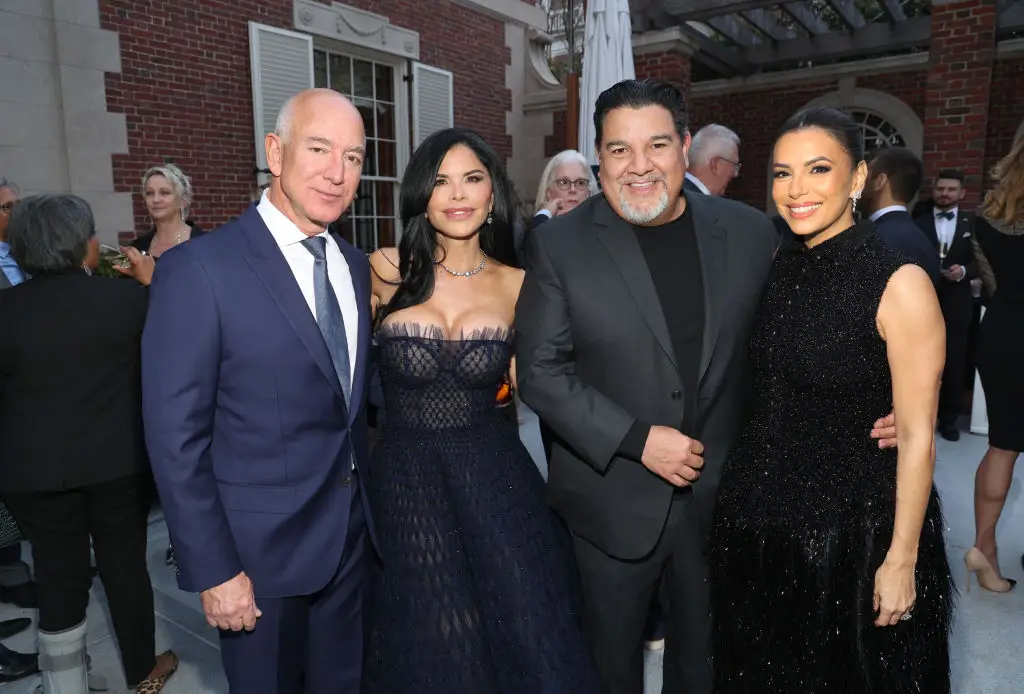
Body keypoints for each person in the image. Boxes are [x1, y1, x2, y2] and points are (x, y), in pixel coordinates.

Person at [515, 80, 897, 694]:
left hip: (729, 499)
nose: (638, 166)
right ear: (598, 156)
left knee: (711, 668)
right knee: (607, 668)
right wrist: (638, 440)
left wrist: (888, 395)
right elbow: (540, 372)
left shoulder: (750, 233)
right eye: (618, 150)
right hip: (610, 501)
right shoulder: (559, 243)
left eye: (657, 144)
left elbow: (810, 328)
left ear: (685, 147)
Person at [711, 108, 953, 692]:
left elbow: (918, 436)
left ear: (857, 177)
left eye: (818, 169)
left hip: (850, 539)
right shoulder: (776, 266)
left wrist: (901, 560)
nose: (796, 190)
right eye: (782, 173)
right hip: (758, 528)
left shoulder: (899, 282)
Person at [142, 88, 374, 692]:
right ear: (276, 151)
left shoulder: (353, 265)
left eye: (353, 156)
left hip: (350, 547)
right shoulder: (198, 270)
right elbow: (175, 439)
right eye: (319, 148)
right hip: (256, 564)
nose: (337, 172)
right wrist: (215, 569)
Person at [363, 127, 598, 693]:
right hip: (405, 480)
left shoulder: (520, 284)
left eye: (472, 178)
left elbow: (542, 386)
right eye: (441, 181)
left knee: (527, 619)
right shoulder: (384, 268)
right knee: (440, 632)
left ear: (492, 193)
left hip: (493, 473)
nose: (459, 194)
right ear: (422, 195)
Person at [0, 195, 177, 693]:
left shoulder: (4, 310)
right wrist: (154, 283)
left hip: (32, 473)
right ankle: (143, 676)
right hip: (117, 466)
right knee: (125, 570)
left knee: (57, 577)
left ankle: (65, 687)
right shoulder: (128, 302)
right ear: (82, 245)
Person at [966, 137, 1024, 593]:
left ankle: (984, 548)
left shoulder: (985, 220)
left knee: (1002, 443)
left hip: (1001, 333)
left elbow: (991, 286)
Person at [914, 169, 976, 441]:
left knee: (954, 363)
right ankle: (920, 416)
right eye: (941, 188)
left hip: (958, 305)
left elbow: (982, 262)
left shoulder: (973, 224)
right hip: (922, 303)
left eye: (951, 189)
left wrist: (963, 270)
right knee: (920, 362)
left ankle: (948, 420)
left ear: (962, 193)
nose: (945, 194)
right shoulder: (917, 223)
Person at [861, 147, 940, 283]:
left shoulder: (871, 241)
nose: (857, 184)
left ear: (879, 181)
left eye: (863, 176)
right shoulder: (924, 240)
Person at [683, 124, 741, 196]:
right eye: (734, 165)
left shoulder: (672, 192)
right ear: (715, 165)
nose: (736, 174)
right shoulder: (699, 204)